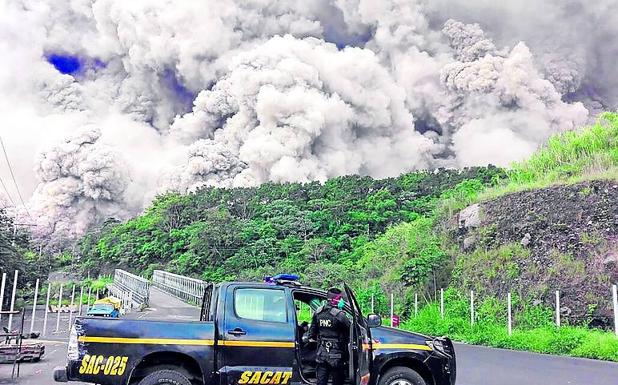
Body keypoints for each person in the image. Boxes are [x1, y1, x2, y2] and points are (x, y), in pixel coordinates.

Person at [304, 288, 351, 385]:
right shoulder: (340, 315)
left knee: (321, 381)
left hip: (322, 354)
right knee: (338, 381)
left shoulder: (318, 313)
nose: (342, 301)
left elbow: (311, 334)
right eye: (341, 299)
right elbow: (351, 331)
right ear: (336, 300)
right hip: (337, 356)